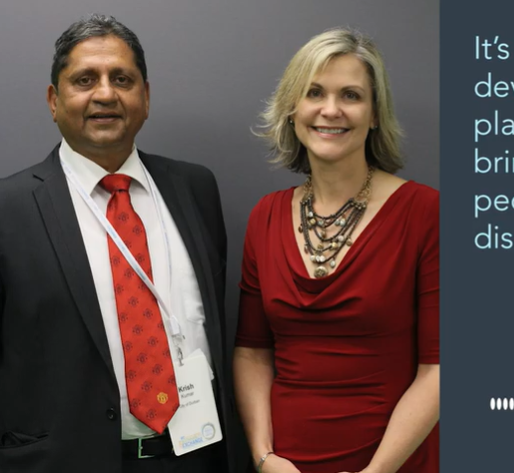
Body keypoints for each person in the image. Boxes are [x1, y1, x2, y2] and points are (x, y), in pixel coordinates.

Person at [0, 14, 234, 473]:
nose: (105, 94)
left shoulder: (195, 189)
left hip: (195, 456)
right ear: (54, 100)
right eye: (85, 80)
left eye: (122, 79)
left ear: (145, 97)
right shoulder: (9, 209)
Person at [234, 28, 439, 473]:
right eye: (314, 93)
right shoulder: (265, 216)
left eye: (351, 95)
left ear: (375, 114)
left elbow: (439, 369)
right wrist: (264, 457)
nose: (331, 110)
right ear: (292, 109)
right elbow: (252, 353)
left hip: (392, 463)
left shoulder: (426, 212)